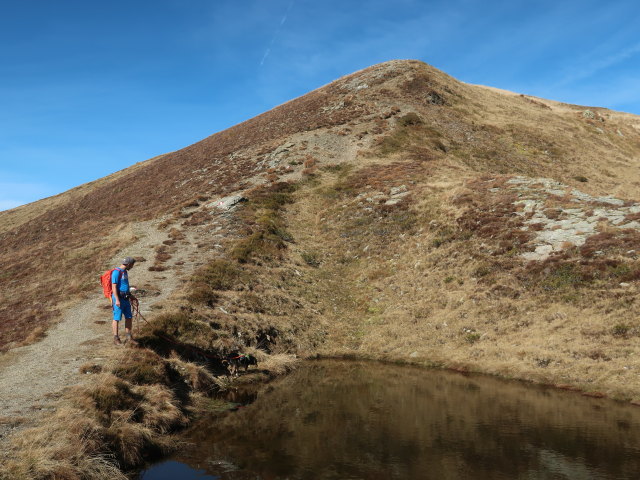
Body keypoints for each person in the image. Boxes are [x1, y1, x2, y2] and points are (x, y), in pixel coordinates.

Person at [111, 257, 138, 345]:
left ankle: (129, 337)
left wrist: (131, 296)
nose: (132, 267)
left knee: (129, 317)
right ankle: (116, 338)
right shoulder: (116, 272)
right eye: (132, 265)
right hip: (118, 299)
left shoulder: (125, 272)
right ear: (129, 264)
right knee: (117, 318)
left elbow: (125, 286)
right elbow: (114, 287)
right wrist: (117, 300)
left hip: (126, 298)